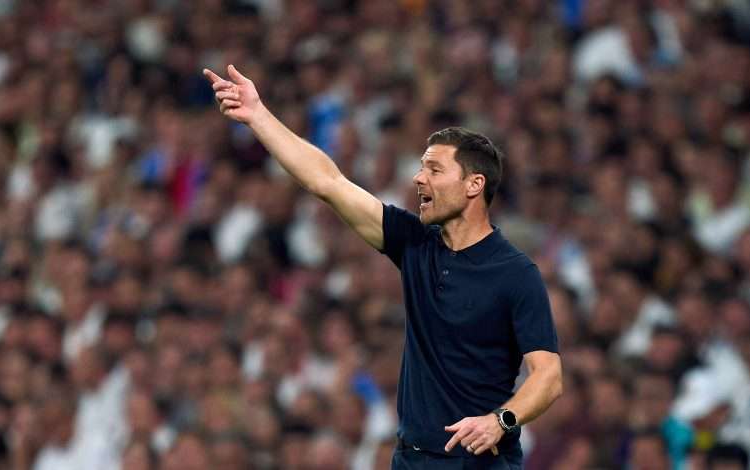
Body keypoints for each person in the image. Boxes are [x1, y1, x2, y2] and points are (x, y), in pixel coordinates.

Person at [203, 65, 562, 469]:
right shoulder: (414, 243)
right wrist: (258, 115)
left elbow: (548, 375)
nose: (418, 178)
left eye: (434, 169)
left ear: (474, 185)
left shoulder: (516, 273)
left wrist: (501, 421)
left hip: (481, 462)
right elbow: (328, 182)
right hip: (411, 459)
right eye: (421, 167)